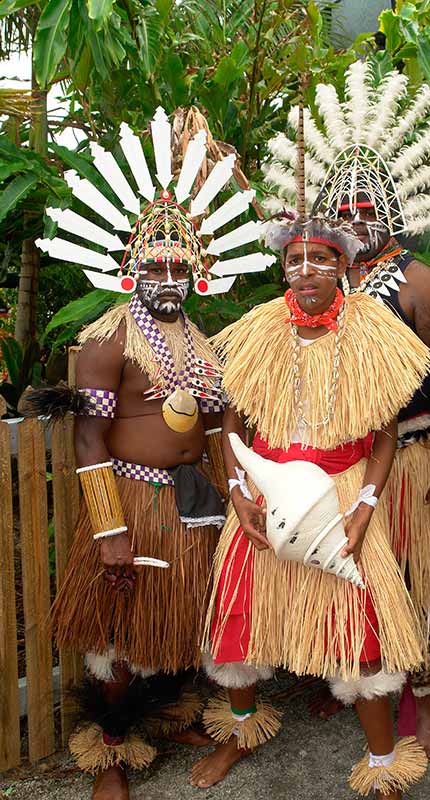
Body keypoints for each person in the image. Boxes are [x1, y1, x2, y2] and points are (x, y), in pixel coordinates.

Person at [263, 59, 430, 761]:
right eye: (341, 213)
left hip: (406, 457)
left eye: (364, 211)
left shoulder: (417, 280)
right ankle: (352, 675)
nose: (354, 221)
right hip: (334, 461)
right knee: (340, 576)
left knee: (406, 584)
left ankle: (423, 701)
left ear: (391, 213)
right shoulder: (324, 279)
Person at [27, 108, 267, 800]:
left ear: (197, 273)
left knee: (180, 616)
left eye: (178, 268)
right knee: (118, 628)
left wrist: (238, 494)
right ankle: (110, 755)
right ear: (131, 270)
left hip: (193, 498)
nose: (167, 279)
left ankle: (164, 717)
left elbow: (220, 430)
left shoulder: (201, 342)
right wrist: (108, 529)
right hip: (130, 499)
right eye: (154, 267)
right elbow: (87, 437)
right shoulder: (108, 339)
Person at [190, 207, 430, 798]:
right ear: (283, 270)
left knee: (362, 627)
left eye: (321, 259)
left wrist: (366, 504)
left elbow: (383, 434)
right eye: (295, 260)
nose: (306, 270)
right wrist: (240, 490)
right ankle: (241, 732)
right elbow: (233, 417)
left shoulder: (374, 332)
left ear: (343, 266)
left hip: (342, 492)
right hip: (264, 493)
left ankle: (382, 763)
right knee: (239, 617)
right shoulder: (259, 328)